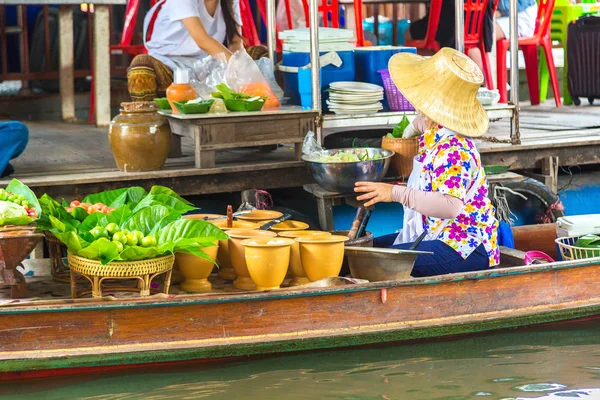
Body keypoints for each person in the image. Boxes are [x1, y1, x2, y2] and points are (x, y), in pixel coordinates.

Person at [354, 48, 499, 278]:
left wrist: (396, 194)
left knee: (374, 265)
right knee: (361, 253)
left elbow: (450, 206)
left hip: (465, 245)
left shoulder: (454, 149)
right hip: (435, 234)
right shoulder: (436, 138)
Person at [127, 0, 268, 101]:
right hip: (170, 69)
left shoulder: (231, 2)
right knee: (141, 67)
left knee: (259, 54)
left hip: (205, 68)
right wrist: (242, 69)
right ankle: (151, 131)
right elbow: (202, 41)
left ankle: (259, 133)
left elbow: (236, 43)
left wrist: (240, 72)